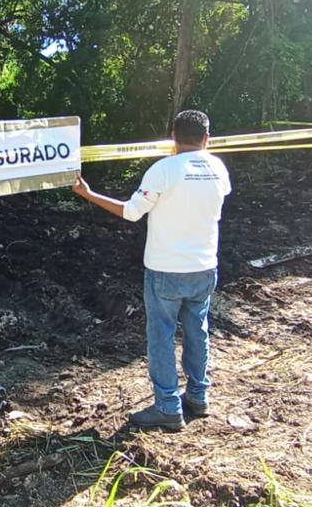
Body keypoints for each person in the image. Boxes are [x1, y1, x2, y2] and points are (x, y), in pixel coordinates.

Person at [72, 110, 231, 431]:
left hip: (166, 270)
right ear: (207, 138)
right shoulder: (218, 167)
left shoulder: (163, 170)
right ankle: (198, 397)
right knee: (197, 331)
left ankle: (168, 406)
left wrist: (88, 194)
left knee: (160, 336)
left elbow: (131, 213)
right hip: (204, 269)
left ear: (173, 137)